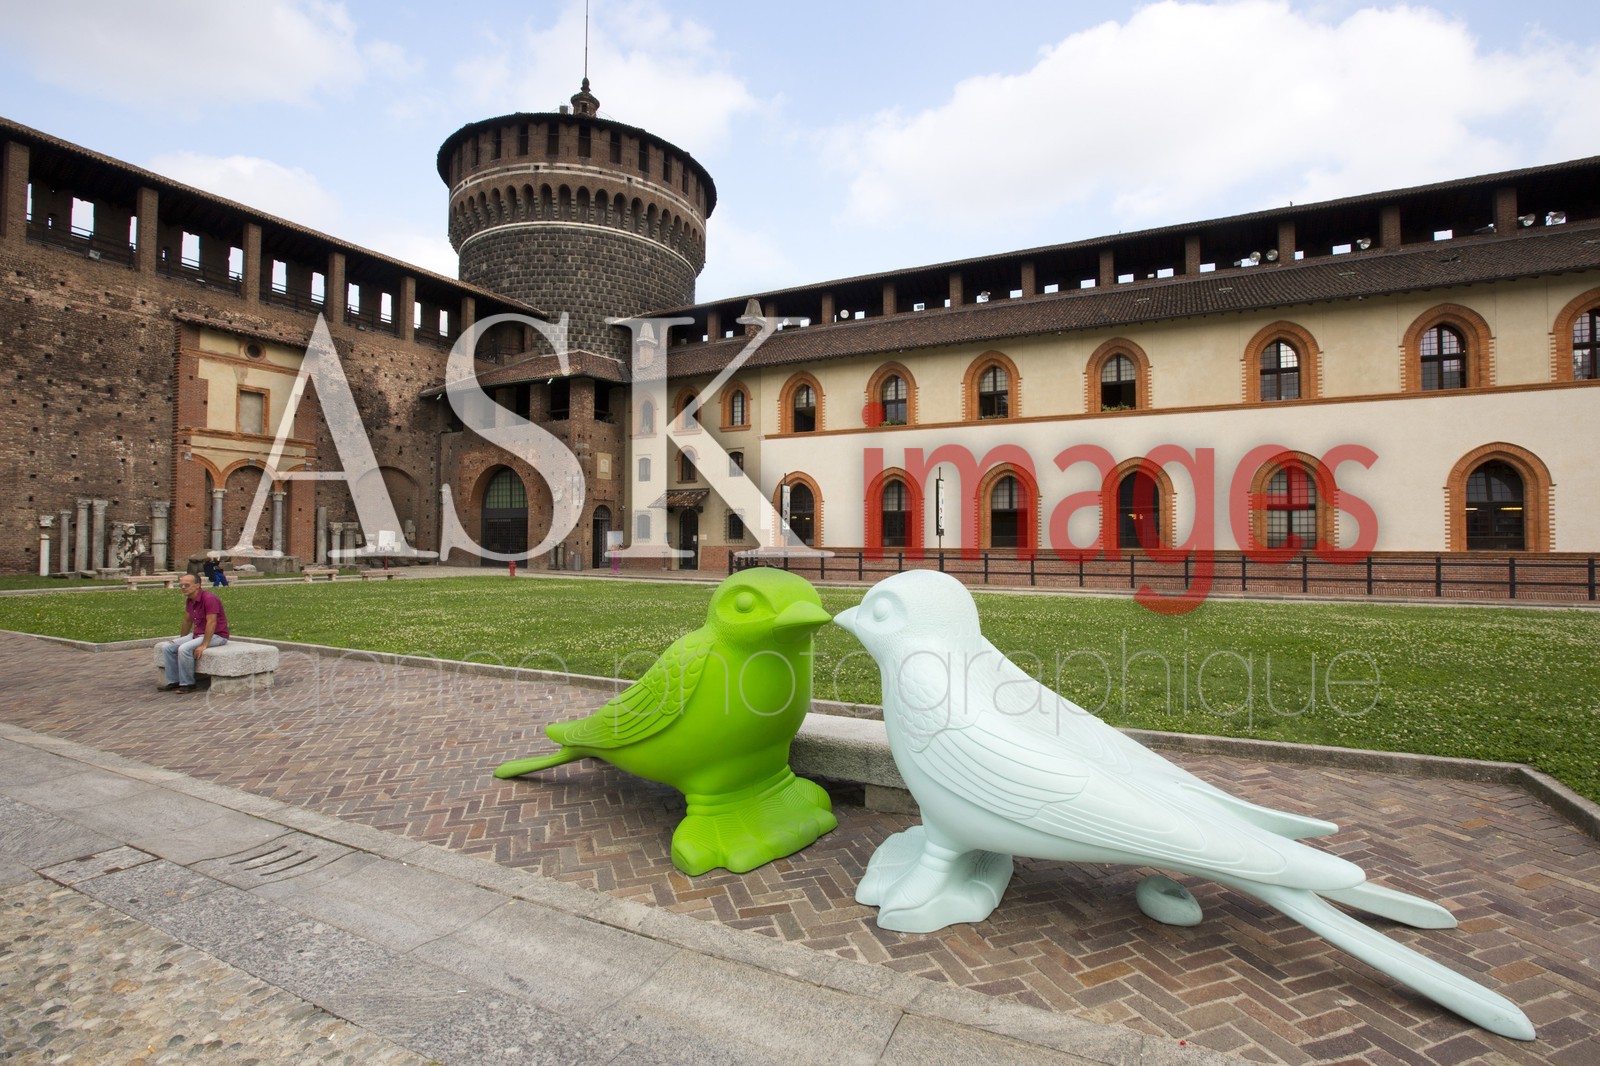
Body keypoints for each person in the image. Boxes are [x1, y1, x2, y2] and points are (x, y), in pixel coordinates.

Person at [156, 573, 230, 693]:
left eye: (186, 585)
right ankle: (174, 681)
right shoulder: (190, 600)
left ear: (197, 585)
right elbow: (187, 621)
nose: (183, 587)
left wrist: (204, 645)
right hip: (198, 634)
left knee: (184, 649)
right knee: (168, 647)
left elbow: (212, 622)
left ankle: (188, 684)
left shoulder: (209, 599)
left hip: (217, 635)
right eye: (181, 585)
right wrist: (181, 639)